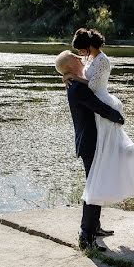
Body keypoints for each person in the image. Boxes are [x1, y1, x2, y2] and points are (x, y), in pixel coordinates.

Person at [62, 28, 134, 215]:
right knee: (116, 151)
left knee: (115, 152)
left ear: (88, 46)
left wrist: (73, 77)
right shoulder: (93, 59)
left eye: (80, 50)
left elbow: (92, 85)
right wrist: (68, 76)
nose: (80, 55)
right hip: (100, 109)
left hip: (104, 105)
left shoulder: (102, 60)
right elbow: (83, 79)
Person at [55, 50, 124, 251]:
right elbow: (98, 106)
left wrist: (69, 76)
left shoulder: (75, 82)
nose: (79, 57)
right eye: (74, 57)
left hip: (91, 142)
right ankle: (86, 237)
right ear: (70, 65)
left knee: (97, 184)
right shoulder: (76, 87)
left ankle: (95, 227)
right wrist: (117, 117)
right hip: (90, 143)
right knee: (94, 187)